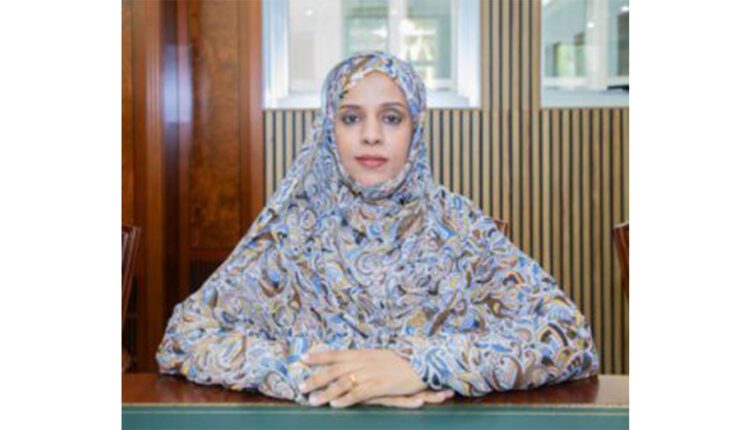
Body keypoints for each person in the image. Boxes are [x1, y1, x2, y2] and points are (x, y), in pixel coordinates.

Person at [155, 51, 599, 409]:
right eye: (351, 118)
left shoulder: (458, 228)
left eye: (391, 118)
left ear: (415, 129)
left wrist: (419, 365)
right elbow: (184, 338)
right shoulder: (290, 233)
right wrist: (333, 376)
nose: (371, 135)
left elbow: (567, 336)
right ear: (328, 129)